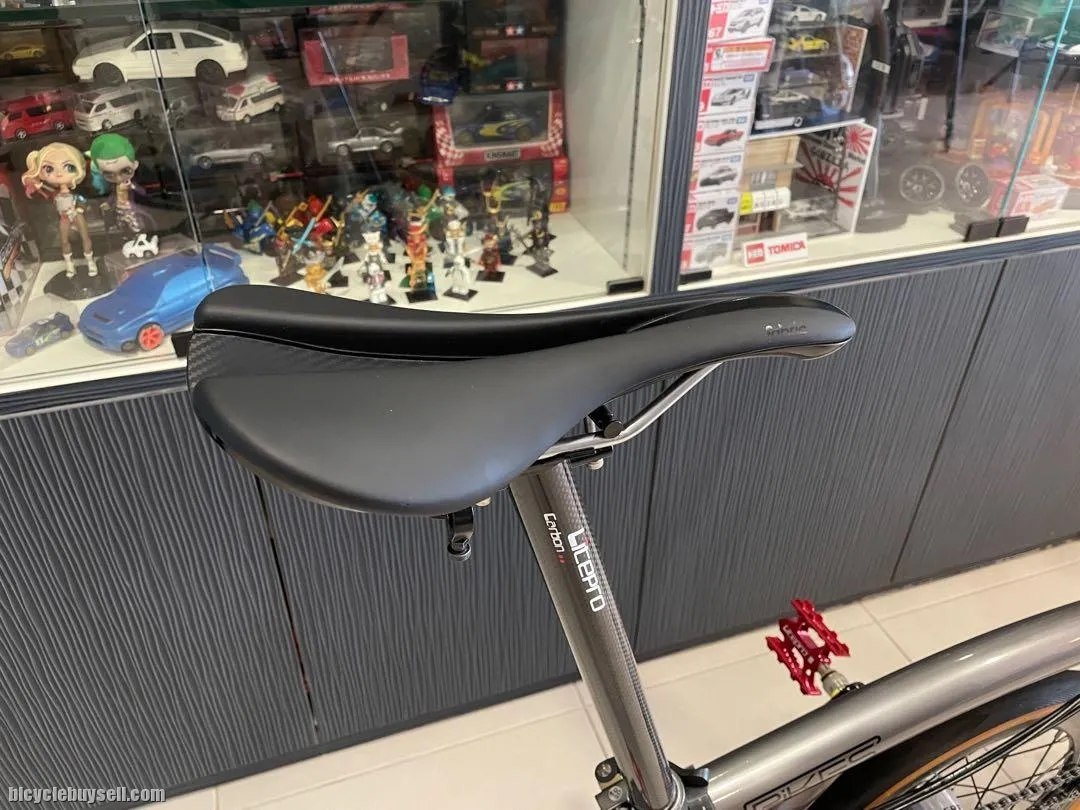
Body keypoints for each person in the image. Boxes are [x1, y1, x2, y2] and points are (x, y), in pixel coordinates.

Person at [22, 142, 95, 278]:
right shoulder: (54, 193)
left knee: (85, 237)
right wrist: (36, 185)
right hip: (64, 217)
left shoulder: (75, 193)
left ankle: (90, 262)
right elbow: (44, 192)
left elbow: (83, 201)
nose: (59, 174)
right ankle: (69, 264)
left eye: (69, 167)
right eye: (49, 169)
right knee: (64, 241)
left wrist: (79, 209)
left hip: (76, 215)